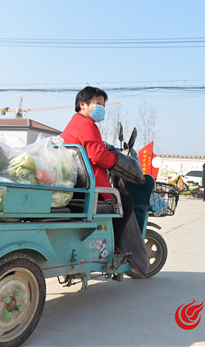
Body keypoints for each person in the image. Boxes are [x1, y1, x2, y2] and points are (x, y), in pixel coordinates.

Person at [61, 86, 148, 276]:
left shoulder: (74, 123)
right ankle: (114, 247)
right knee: (126, 202)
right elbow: (98, 155)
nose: (102, 108)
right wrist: (117, 160)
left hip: (79, 185)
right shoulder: (86, 124)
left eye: (103, 105)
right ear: (82, 105)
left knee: (122, 201)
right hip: (91, 187)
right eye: (98, 104)